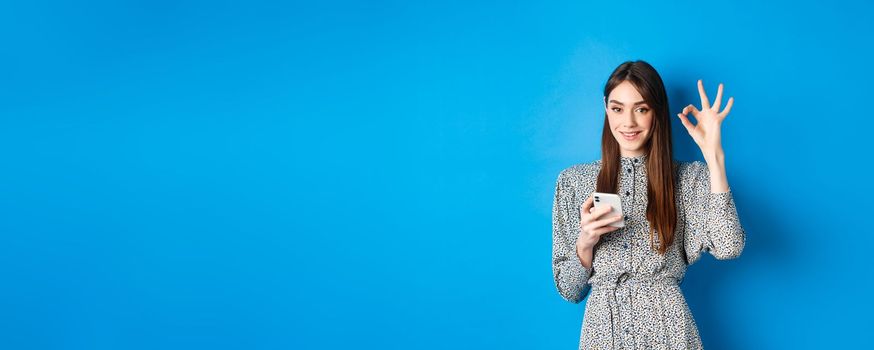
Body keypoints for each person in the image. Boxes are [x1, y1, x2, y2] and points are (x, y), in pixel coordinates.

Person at [551, 60, 745, 349]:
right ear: (606, 108)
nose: (628, 122)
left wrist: (714, 157)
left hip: (670, 333)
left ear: (657, 112)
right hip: (604, 334)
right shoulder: (574, 182)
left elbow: (729, 247)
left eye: (641, 109)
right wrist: (585, 243)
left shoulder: (689, 179)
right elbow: (569, 290)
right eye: (617, 108)